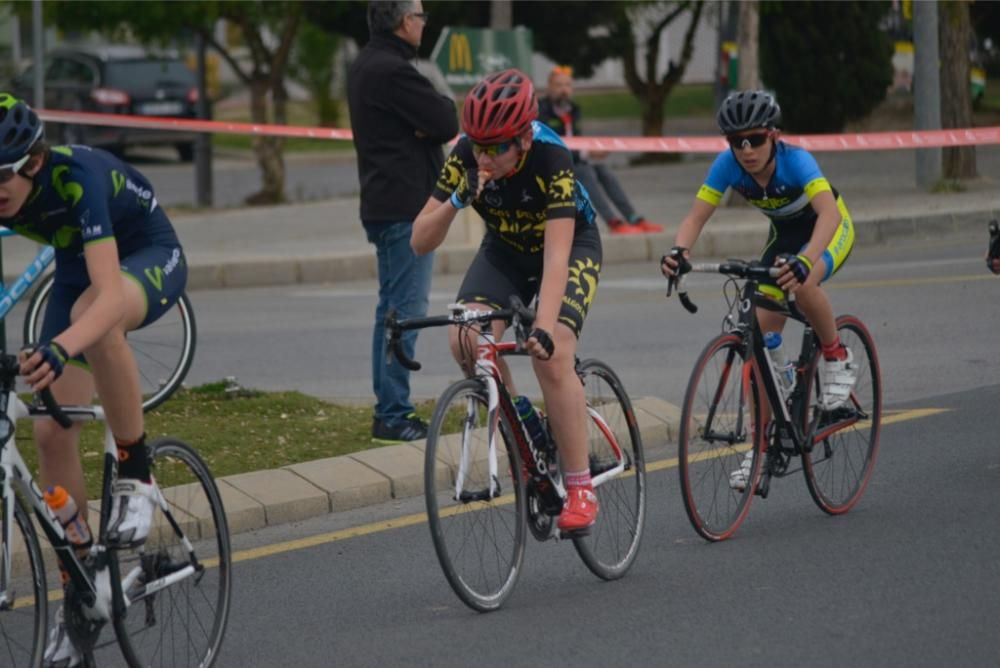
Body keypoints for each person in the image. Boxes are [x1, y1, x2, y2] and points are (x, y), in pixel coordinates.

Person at [0, 92, 187, 666]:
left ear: (32, 163)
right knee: (52, 433)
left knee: (94, 323)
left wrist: (59, 348)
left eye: (0, 176)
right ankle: (81, 587)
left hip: (146, 253)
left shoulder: (76, 177)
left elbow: (107, 297)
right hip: (77, 267)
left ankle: (137, 472)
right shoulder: (8, 187)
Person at [411, 68, 604, 532]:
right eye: (478, 144)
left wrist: (542, 328)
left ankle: (580, 486)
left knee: (552, 353)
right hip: (506, 251)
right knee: (464, 339)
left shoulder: (552, 157)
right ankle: (524, 428)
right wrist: (457, 200)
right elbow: (420, 240)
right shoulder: (467, 155)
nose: (484, 156)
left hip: (568, 245)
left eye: (495, 147)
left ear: (522, 139)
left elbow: (557, 258)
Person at [660, 90, 858, 491]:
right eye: (737, 142)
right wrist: (679, 251)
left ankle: (837, 353)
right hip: (785, 236)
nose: (746, 150)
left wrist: (807, 260)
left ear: (774, 136)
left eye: (755, 139)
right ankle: (761, 445)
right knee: (760, 340)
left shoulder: (796, 161)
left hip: (828, 230)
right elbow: (696, 216)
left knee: (802, 286)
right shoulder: (727, 166)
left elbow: (829, 213)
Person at [348, 0, 458, 444]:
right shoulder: (393, 71)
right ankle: (393, 413)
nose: (424, 22)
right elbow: (446, 118)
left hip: (383, 203)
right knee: (405, 314)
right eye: (419, 14)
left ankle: (387, 409)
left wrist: (425, 124)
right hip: (404, 209)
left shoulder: (366, 65)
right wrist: (428, 122)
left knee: (389, 311)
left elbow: (432, 122)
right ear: (401, 21)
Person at [537, 65, 662, 236]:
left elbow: (577, 139)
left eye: (567, 85)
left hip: (574, 158)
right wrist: (587, 153)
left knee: (604, 171)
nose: (564, 90)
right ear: (549, 87)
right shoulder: (541, 111)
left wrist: (591, 151)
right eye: (559, 85)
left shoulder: (573, 110)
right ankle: (613, 222)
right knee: (586, 172)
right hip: (552, 163)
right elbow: (549, 145)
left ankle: (634, 218)